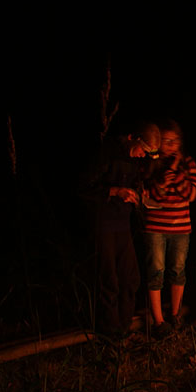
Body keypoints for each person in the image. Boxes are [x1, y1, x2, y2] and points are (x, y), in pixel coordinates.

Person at [83, 121, 160, 337]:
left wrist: (139, 192)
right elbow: (84, 187)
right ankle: (110, 332)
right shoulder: (107, 152)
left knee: (130, 276)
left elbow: (134, 181)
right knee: (109, 279)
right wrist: (116, 191)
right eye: (141, 151)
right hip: (103, 222)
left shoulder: (133, 160)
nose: (141, 156)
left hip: (122, 223)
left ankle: (124, 327)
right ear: (133, 138)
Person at [142, 119, 196, 334]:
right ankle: (158, 320)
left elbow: (191, 194)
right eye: (166, 141)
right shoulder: (151, 163)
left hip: (181, 227)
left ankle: (174, 315)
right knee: (156, 271)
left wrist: (176, 173)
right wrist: (163, 181)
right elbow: (154, 196)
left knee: (178, 270)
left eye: (175, 141)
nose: (171, 146)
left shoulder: (189, 163)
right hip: (156, 227)